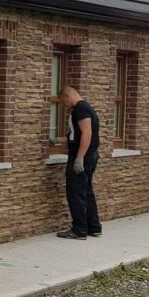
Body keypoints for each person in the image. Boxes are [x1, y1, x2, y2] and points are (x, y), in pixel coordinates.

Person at [57, 86, 102, 240]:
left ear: (67, 96)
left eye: (63, 101)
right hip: (91, 155)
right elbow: (77, 135)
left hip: (83, 157)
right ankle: (93, 226)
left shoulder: (80, 109)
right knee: (86, 191)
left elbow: (87, 134)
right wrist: (60, 140)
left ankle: (79, 230)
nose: (64, 105)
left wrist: (79, 157)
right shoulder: (87, 108)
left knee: (75, 193)